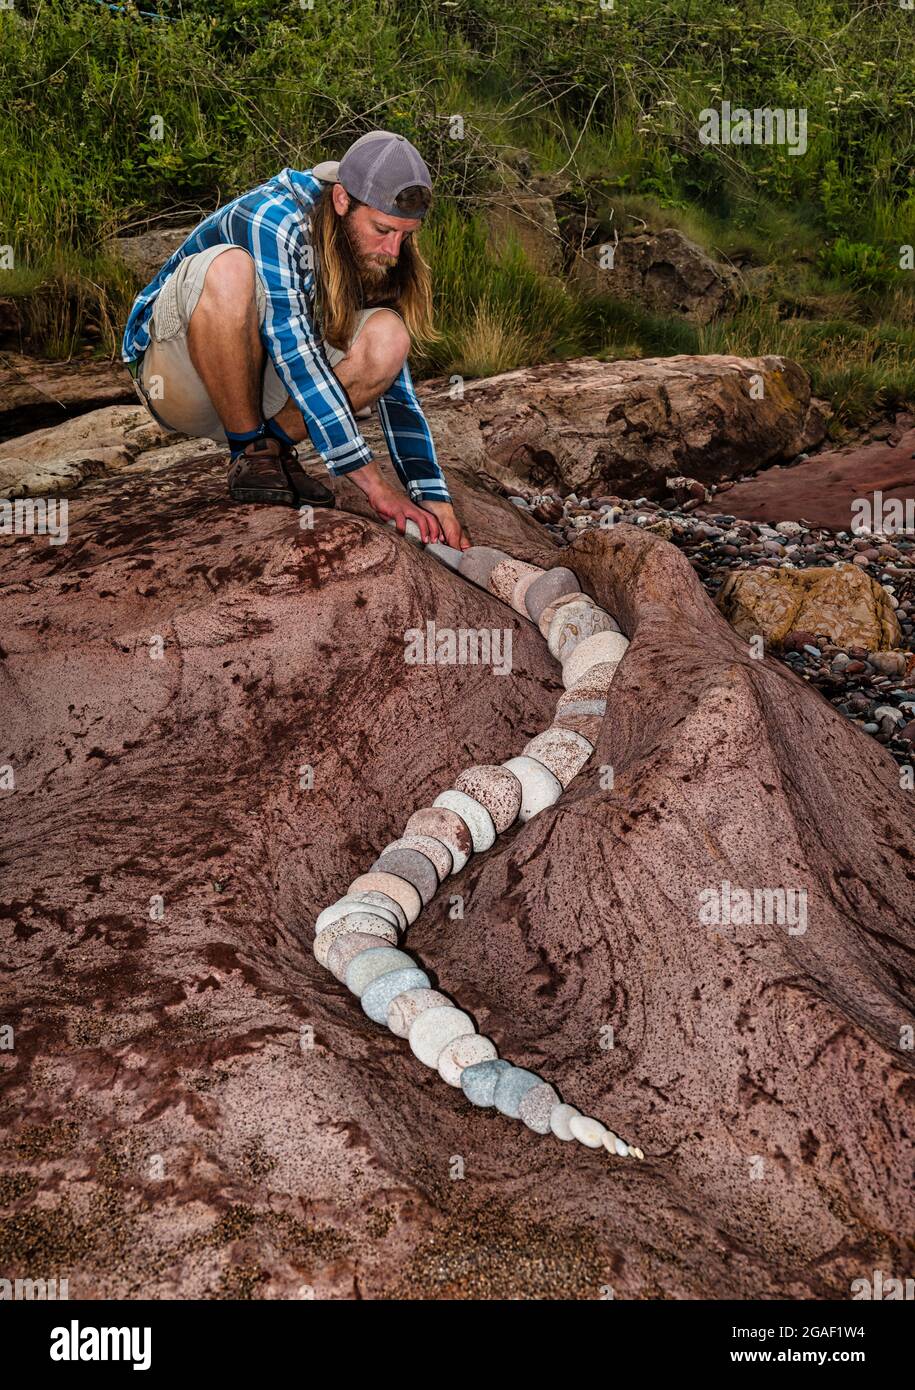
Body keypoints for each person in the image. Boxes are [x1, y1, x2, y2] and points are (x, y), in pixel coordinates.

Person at [121, 130, 470, 549]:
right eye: (383, 230)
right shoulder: (274, 216)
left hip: (258, 382)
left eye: (405, 235)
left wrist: (429, 492)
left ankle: (269, 450)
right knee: (229, 268)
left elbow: (395, 385)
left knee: (389, 337)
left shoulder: (368, 244)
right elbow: (297, 352)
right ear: (342, 199)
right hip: (180, 379)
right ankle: (250, 452)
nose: (393, 250)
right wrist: (375, 487)